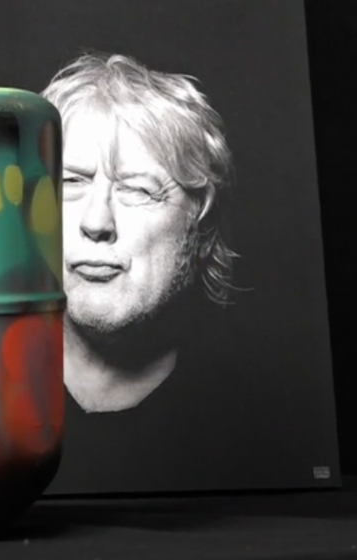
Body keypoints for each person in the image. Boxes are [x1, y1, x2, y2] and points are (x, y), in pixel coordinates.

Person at [41, 53, 237, 415]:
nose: (96, 222)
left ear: (202, 229)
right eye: (70, 182)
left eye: (139, 190)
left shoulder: (251, 419)